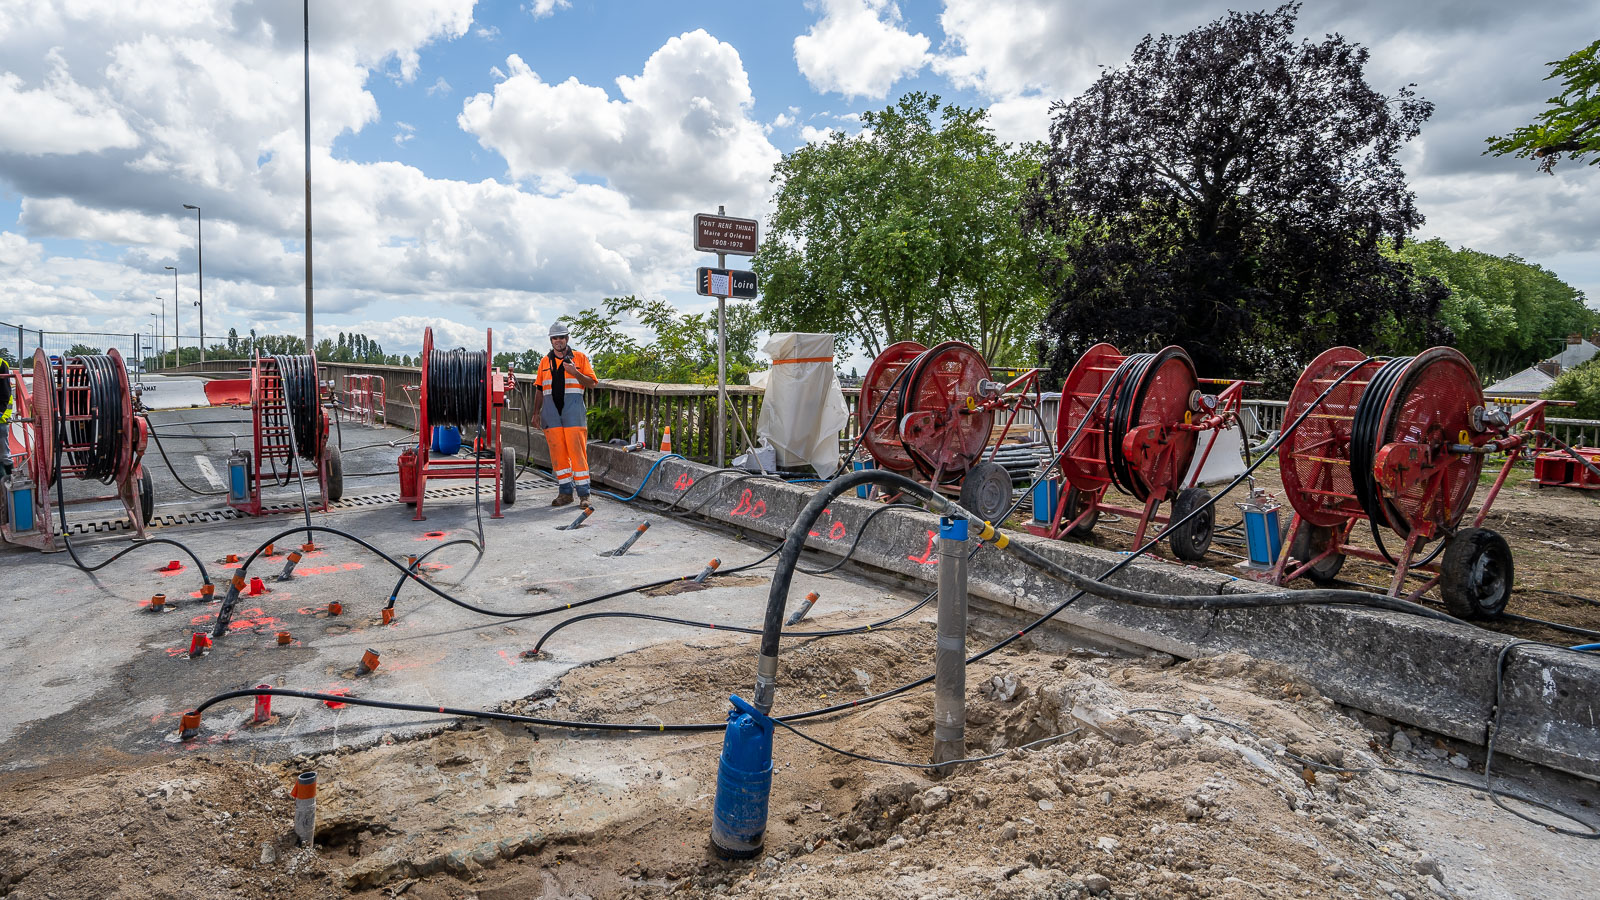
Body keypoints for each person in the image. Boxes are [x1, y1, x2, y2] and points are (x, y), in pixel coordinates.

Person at [533, 322, 598, 506]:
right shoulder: (545, 362)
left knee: (577, 454)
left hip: (573, 413)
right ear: (551, 340)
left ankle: (584, 495)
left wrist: (575, 372)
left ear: (567, 338)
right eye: (555, 338)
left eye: (561, 337)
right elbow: (539, 389)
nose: (558, 341)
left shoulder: (580, 358)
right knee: (558, 455)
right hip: (551, 414)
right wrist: (535, 413)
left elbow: (592, 383)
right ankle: (565, 494)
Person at [0, 355, 13, 478]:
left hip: (1, 417)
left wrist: (1, 412)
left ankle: (9, 479)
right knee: (4, 454)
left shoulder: (1, 364)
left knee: (4, 454)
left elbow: (5, 393)